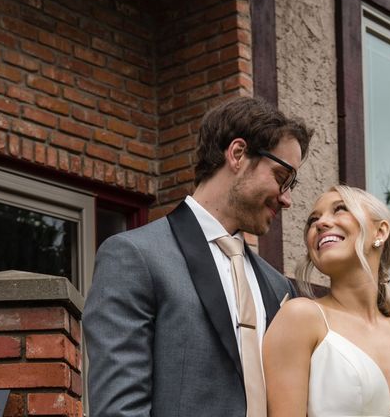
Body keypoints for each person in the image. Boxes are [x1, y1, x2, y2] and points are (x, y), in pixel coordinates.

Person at [83, 97, 313, 417]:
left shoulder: (277, 287)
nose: (287, 199)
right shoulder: (135, 257)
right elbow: (119, 411)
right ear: (237, 154)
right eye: (282, 177)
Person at [263, 185, 390, 417]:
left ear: (380, 232)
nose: (320, 224)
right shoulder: (301, 317)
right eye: (313, 220)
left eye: (340, 209)